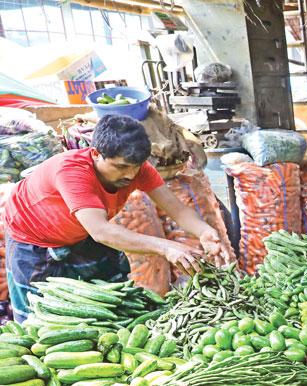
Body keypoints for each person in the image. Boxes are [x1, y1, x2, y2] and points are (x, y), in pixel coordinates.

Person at [4, 114, 230, 322]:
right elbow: (101, 231)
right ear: (95, 154)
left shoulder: (138, 169)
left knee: (114, 301)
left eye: (136, 166)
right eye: (121, 166)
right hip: (33, 237)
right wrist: (166, 247)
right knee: (40, 315)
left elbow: (176, 208)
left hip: (80, 232)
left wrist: (205, 232)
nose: (130, 175)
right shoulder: (72, 172)